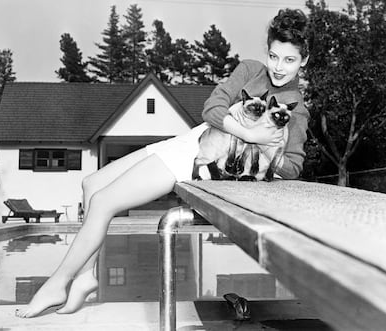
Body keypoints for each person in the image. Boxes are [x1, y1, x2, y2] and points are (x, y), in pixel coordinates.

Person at [16, 8, 310, 318]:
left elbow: (292, 167)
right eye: (274, 56)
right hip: (196, 137)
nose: (279, 67)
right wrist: (249, 131)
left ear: (304, 60)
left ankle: (58, 283)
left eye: (289, 60)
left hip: (199, 160)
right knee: (91, 183)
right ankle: (86, 277)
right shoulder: (250, 69)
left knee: (103, 202)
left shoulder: (296, 109)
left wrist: (265, 146)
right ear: (267, 50)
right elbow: (212, 109)